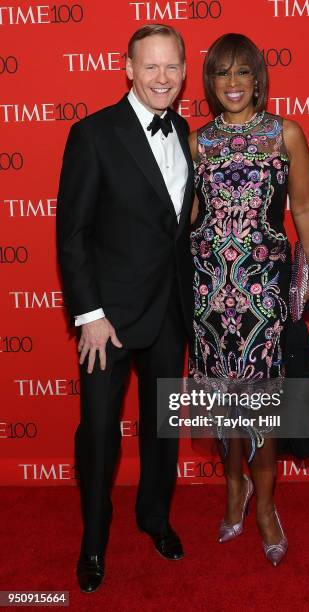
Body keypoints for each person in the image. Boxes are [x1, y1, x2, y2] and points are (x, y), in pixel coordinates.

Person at [56, 24, 194, 593]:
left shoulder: (187, 130)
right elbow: (72, 234)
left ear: (185, 73)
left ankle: (154, 517)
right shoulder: (93, 134)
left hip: (169, 309)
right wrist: (89, 315)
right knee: (98, 433)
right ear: (129, 69)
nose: (162, 78)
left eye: (172, 67)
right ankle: (93, 540)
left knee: (162, 427)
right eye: (151, 67)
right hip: (107, 319)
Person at [188, 33, 309, 566]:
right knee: (224, 404)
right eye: (223, 73)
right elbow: (188, 220)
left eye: (244, 72)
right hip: (208, 291)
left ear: (259, 79)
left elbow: (305, 207)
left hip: (264, 289)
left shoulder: (285, 133)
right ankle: (233, 489)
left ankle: (265, 507)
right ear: (210, 83)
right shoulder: (198, 143)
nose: (234, 83)